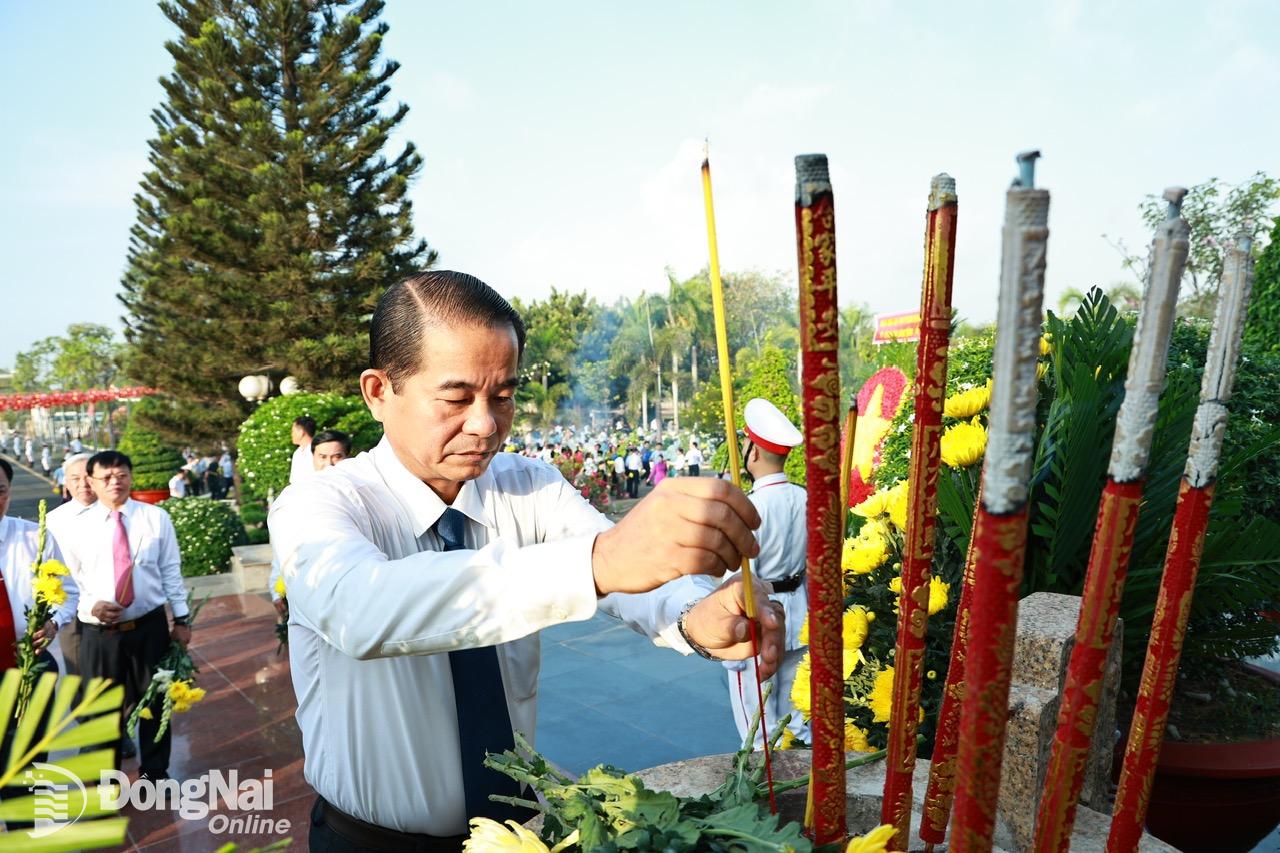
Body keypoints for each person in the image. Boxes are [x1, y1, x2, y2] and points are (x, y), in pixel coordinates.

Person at [269, 271, 781, 850]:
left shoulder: (526, 485)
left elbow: (626, 576)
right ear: (378, 391)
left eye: (504, 396)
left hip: (521, 833)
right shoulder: (321, 502)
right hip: (370, 841)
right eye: (457, 397)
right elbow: (359, 608)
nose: (486, 424)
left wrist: (696, 613)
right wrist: (600, 561)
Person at [62, 451, 191, 779]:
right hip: (99, 635)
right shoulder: (76, 528)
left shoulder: (154, 518)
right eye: (105, 477)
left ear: (131, 477)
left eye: (121, 475)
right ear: (91, 482)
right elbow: (68, 583)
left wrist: (182, 618)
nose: (114, 482)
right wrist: (91, 605)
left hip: (149, 626)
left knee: (154, 702)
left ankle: (155, 773)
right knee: (102, 711)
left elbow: (170, 571)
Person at [718, 398, 811, 749]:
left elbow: (738, 576)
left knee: (756, 728)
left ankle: (764, 798)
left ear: (753, 452)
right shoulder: (803, 498)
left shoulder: (751, 505)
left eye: (745, 443)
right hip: (797, 613)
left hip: (759, 614)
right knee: (797, 719)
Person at [0, 458, 78, 678]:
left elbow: (69, 593)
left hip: (31, 663)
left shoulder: (35, 537)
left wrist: (53, 622)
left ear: (9, 491)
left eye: (0, 490)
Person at [269, 429, 352, 621]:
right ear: (313, 458)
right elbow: (281, 548)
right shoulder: (296, 498)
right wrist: (276, 590)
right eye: (322, 457)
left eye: (336, 456)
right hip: (308, 592)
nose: (329, 463)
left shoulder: (363, 494)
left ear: (348, 457)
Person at [45, 453, 97, 676]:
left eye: (87, 476)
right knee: (78, 676)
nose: (82, 483)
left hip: (111, 607)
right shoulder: (53, 520)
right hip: (72, 611)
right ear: (66, 482)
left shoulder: (117, 514)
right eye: (75, 478)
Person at [289, 416, 317, 485]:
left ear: (301, 432)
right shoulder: (297, 453)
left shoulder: (317, 451)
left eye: (293, 431)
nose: (291, 434)